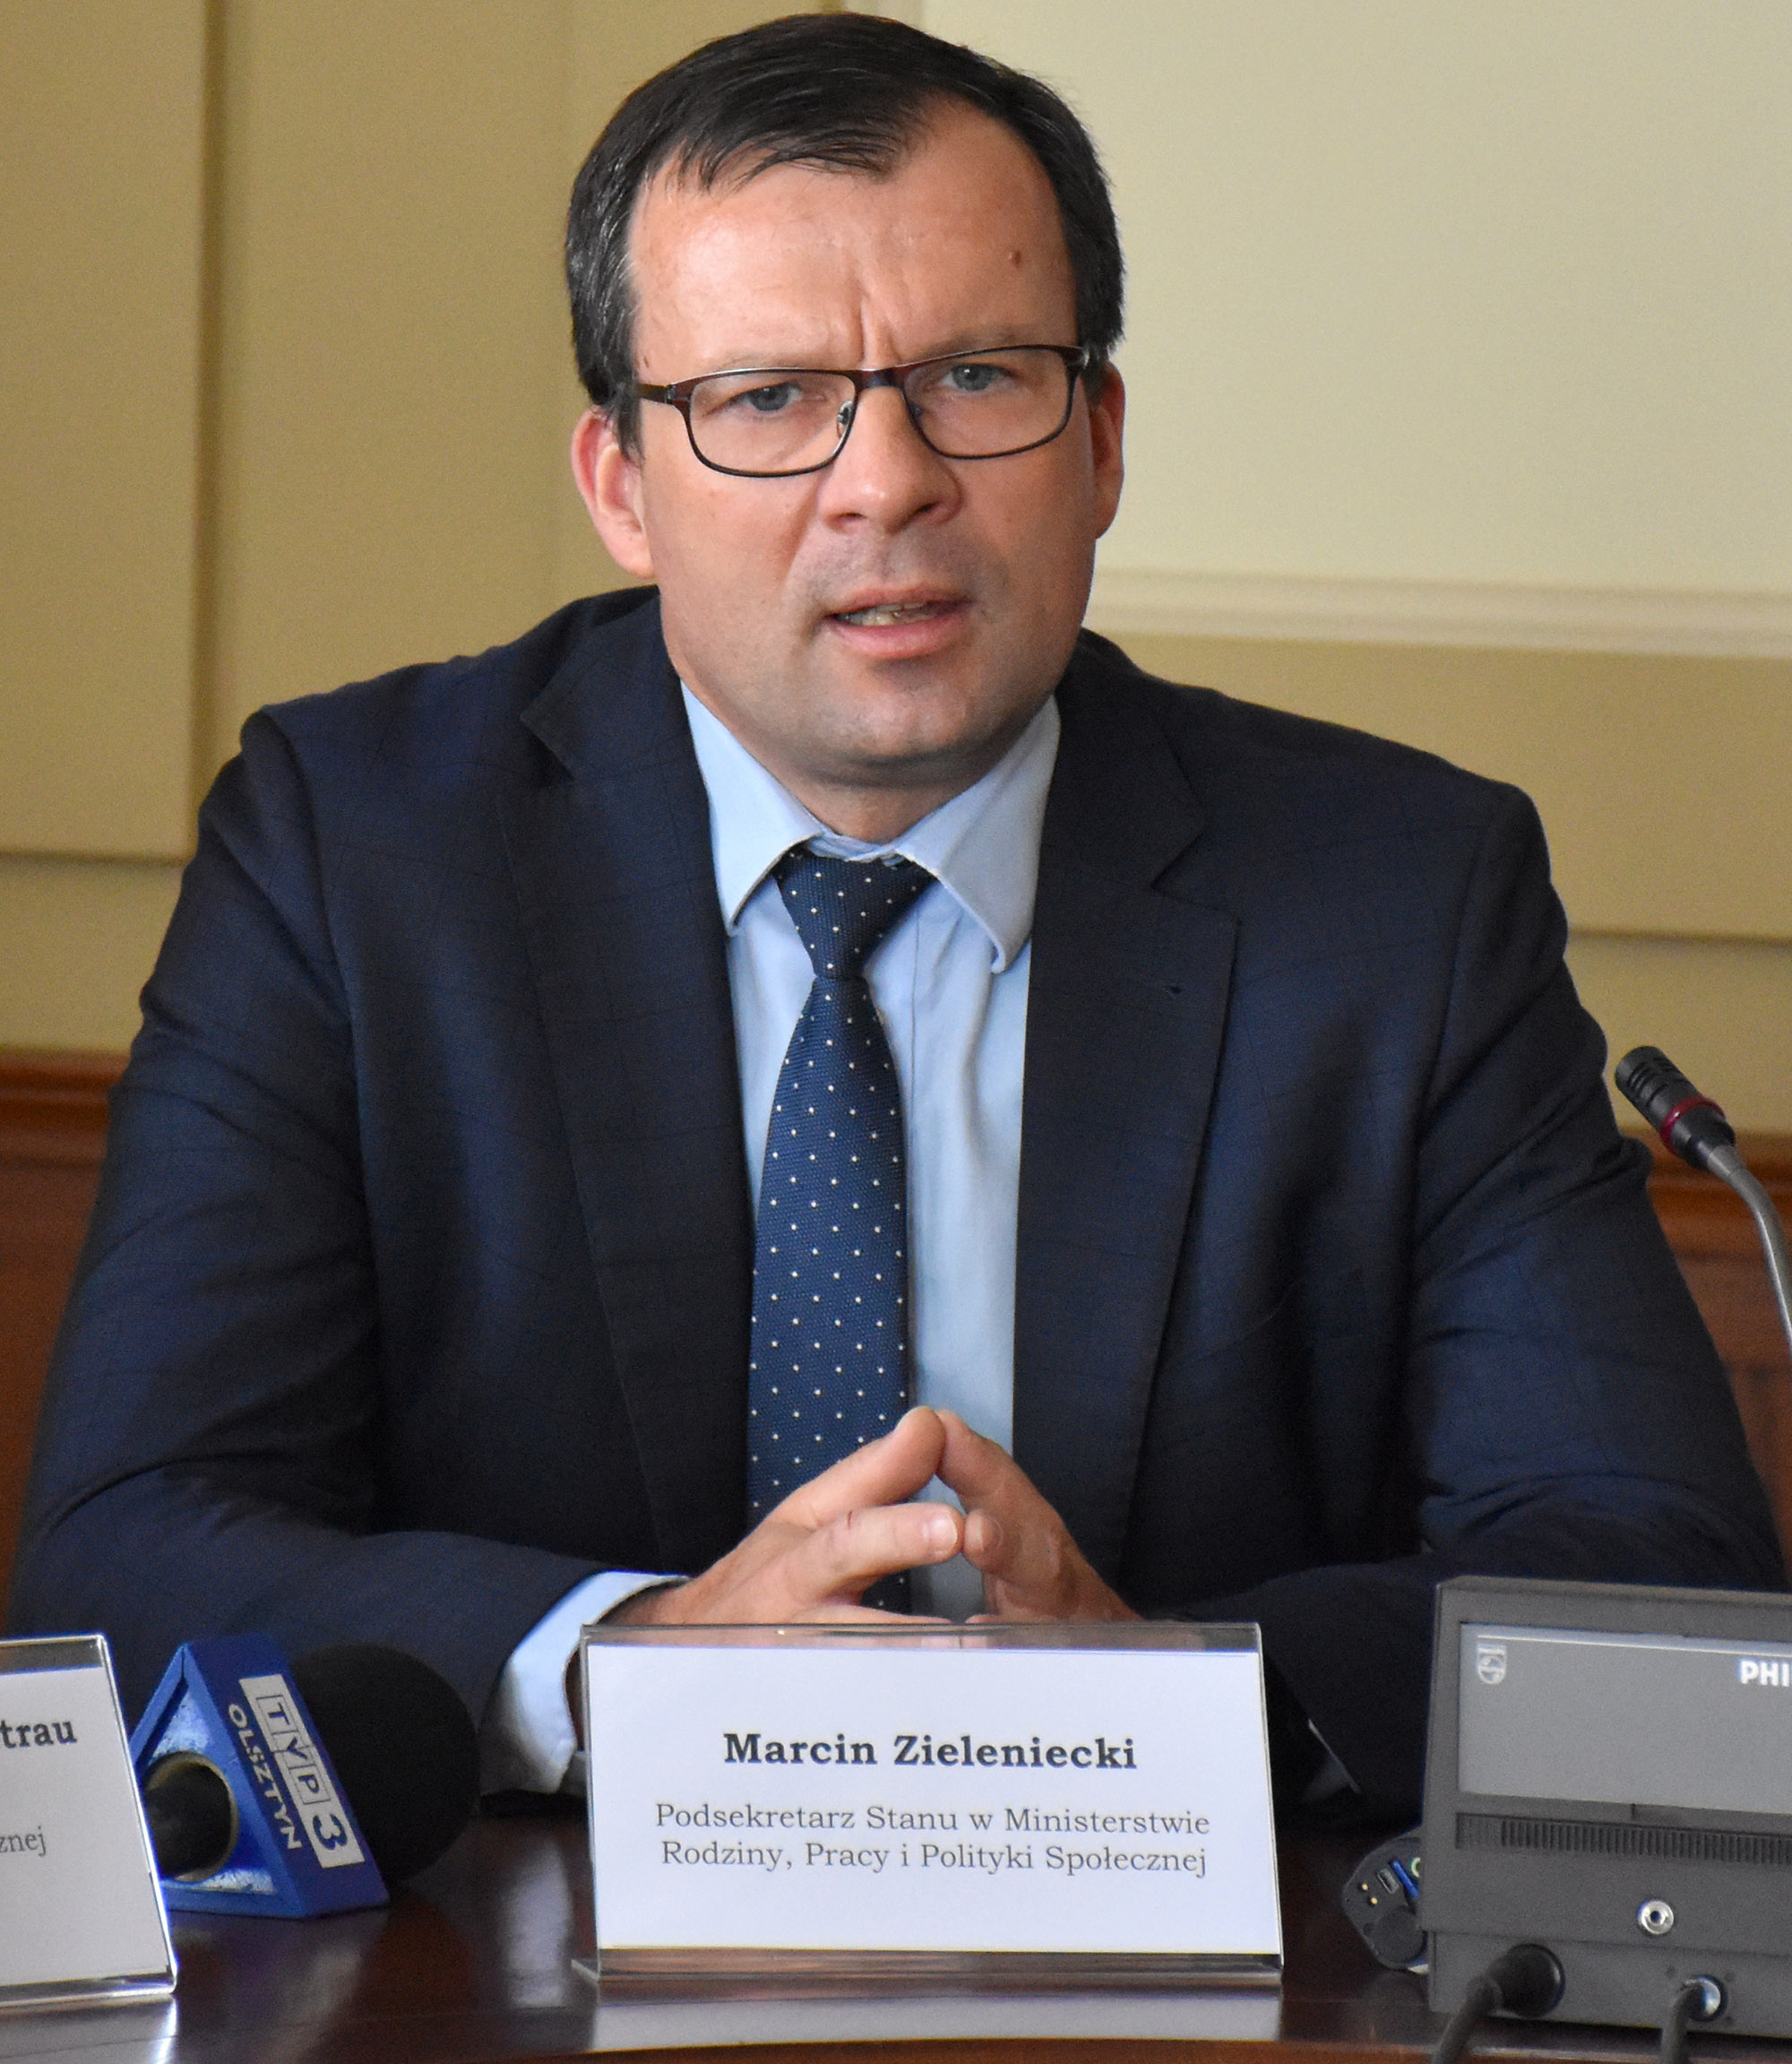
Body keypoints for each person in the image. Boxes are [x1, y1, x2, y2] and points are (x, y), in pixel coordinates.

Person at [9, 13, 1779, 1822]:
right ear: (622, 487)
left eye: (977, 378)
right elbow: (123, 1548)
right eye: (768, 399)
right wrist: (636, 1662)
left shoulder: (1398, 897)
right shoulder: (354, 853)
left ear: (1100, 442)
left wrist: (1169, 1699)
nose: (886, 482)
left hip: (1174, 1936)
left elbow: (1658, 1575)